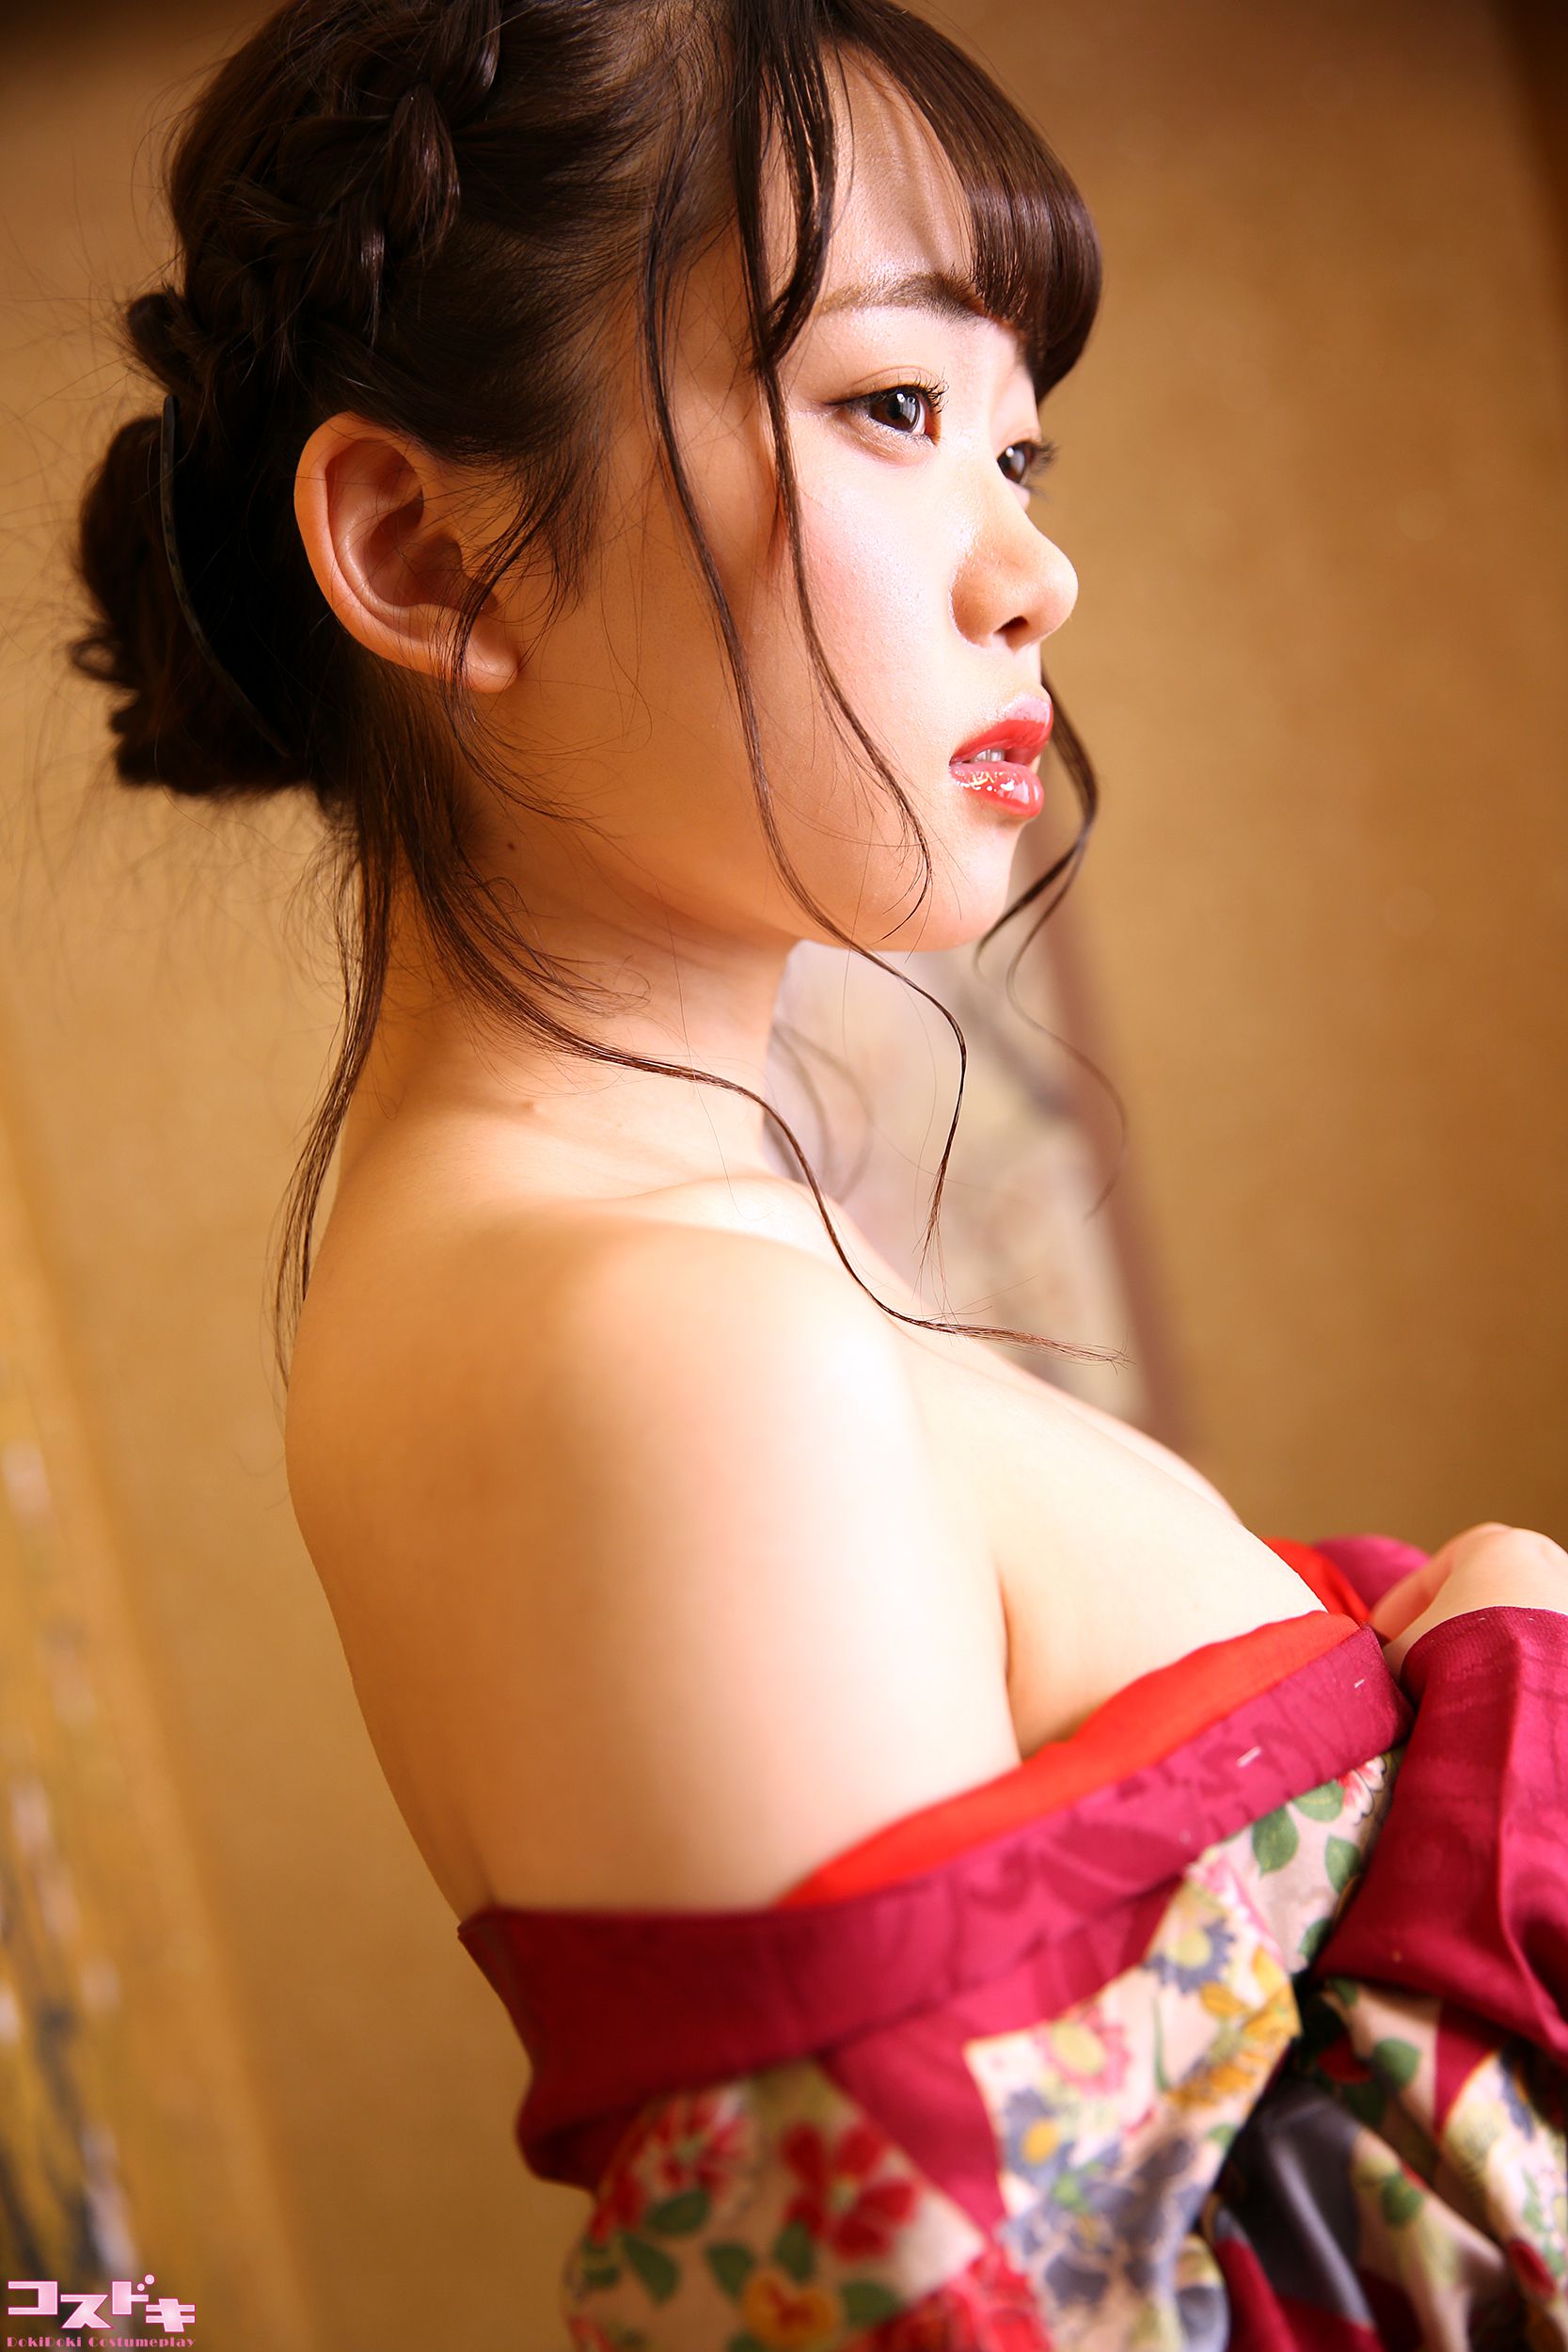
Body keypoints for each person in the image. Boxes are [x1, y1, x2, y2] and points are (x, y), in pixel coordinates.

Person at [70, 1, 1567, 2343]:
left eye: (1020, 442)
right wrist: (1500, 1672)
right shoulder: (659, 1346)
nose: (1034, 569)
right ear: (429, 550)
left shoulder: (664, 1288)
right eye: (892, 406)